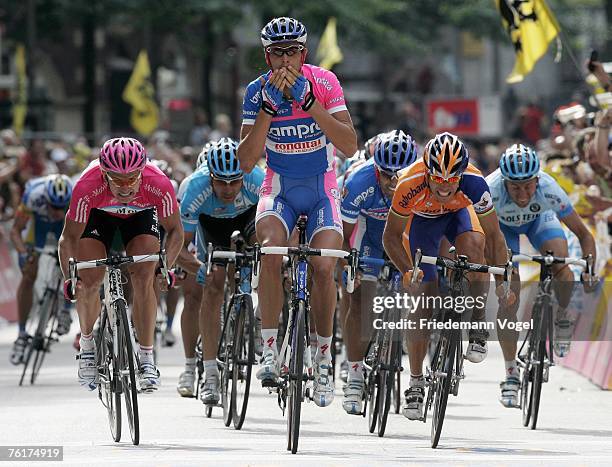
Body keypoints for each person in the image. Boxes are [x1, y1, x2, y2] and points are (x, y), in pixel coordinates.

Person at [237, 16, 358, 407]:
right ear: (266, 55)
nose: (285, 60)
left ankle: (323, 357)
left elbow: (350, 145)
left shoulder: (324, 81)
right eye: (277, 52)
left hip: (322, 189)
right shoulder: (257, 91)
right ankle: (269, 348)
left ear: (303, 53)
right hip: (280, 190)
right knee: (271, 252)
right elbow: (245, 161)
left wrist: (311, 105)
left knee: (324, 267)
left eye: (292, 51)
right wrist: (268, 111)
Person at [383, 132, 513, 421]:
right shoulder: (409, 184)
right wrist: (408, 270)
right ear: (426, 170)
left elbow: (494, 237)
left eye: (451, 179)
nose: (444, 186)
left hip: (459, 216)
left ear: (462, 173)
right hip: (422, 224)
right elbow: (390, 237)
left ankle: (477, 323)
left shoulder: (475, 184)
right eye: (437, 178)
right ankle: (415, 383)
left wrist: (502, 280)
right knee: (421, 301)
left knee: (475, 248)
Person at [58, 137, 183, 391]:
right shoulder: (87, 184)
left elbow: (176, 232)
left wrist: (166, 267)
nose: (125, 186)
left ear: (142, 171)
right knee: (89, 281)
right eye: (117, 179)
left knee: (144, 276)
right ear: (104, 174)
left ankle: (147, 358)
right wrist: (70, 278)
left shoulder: (158, 182)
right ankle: (88, 345)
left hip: (139, 217)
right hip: (97, 219)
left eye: (132, 178)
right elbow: (68, 238)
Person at [487, 143, 598, 408]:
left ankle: (562, 318)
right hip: (503, 230)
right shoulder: (490, 190)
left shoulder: (549, 189)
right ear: (505, 183)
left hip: (540, 222)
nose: (523, 194)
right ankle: (511, 374)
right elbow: (484, 238)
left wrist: (590, 270)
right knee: (508, 299)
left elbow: (583, 234)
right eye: (515, 187)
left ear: (537, 179)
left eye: (528, 186)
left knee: (561, 264)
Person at [177, 138, 264, 405]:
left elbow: (276, 224)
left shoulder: (257, 179)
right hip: (210, 227)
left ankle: (259, 319)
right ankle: (210, 371)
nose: (228, 189)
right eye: (221, 182)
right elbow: (178, 246)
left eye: (234, 182)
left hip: (248, 218)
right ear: (210, 176)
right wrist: (197, 267)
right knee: (212, 286)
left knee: (265, 253)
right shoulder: (194, 187)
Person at [340, 130, 419, 414]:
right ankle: (355, 375)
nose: (393, 183)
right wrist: (350, 268)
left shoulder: (424, 181)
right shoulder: (359, 180)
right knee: (362, 300)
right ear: (376, 169)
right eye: (386, 175)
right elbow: (343, 237)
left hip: (406, 240)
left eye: (400, 175)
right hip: (369, 240)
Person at [9, 175, 74, 364]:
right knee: (29, 274)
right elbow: (15, 231)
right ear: (46, 199)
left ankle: (66, 310)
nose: (56, 211)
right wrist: (23, 253)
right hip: (38, 226)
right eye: (53, 206)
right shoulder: (33, 196)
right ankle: (21, 334)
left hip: (65, 226)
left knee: (71, 259)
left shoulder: (75, 199)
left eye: (60, 207)